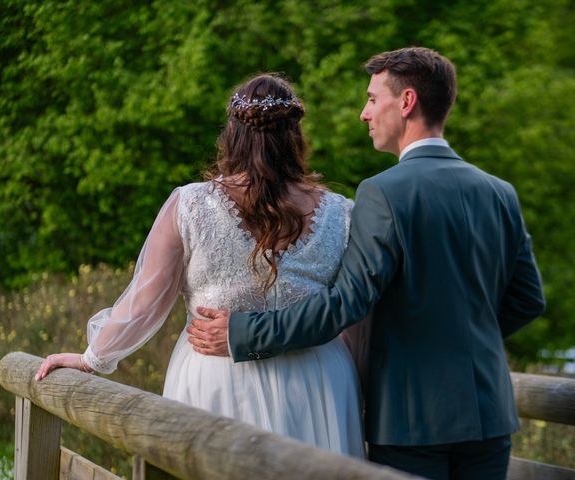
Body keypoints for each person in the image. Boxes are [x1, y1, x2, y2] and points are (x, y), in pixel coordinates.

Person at [187, 48, 545, 479]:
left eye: (374, 99)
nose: (364, 113)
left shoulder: (383, 192)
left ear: (407, 102)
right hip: (490, 412)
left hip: (411, 418)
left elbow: (346, 304)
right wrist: (464, 340)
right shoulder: (499, 192)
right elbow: (527, 299)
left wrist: (245, 333)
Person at [35, 73, 365, 458]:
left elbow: (145, 301)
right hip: (319, 382)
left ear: (232, 134)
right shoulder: (343, 214)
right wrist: (359, 387)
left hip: (218, 382)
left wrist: (92, 358)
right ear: (295, 138)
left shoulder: (190, 205)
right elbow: (354, 316)